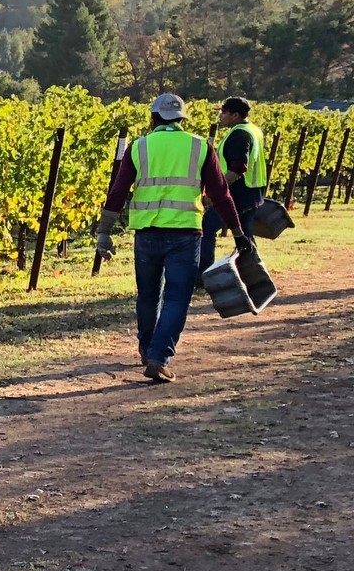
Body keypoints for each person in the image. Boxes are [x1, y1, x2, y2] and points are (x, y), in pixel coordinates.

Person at [94, 93, 253, 384]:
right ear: (182, 120)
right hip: (185, 233)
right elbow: (220, 195)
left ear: (153, 119)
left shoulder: (138, 147)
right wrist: (239, 232)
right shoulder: (199, 146)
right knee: (177, 297)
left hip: (147, 234)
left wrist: (104, 232)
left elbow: (117, 192)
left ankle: (146, 348)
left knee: (148, 294)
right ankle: (159, 357)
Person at [199, 96, 267, 274]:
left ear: (235, 115)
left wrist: (215, 192)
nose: (220, 116)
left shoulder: (240, 135)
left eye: (224, 113)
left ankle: (203, 274)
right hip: (252, 192)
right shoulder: (253, 130)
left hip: (238, 193)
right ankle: (253, 271)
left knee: (207, 226)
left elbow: (237, 169)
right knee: (244, 233)